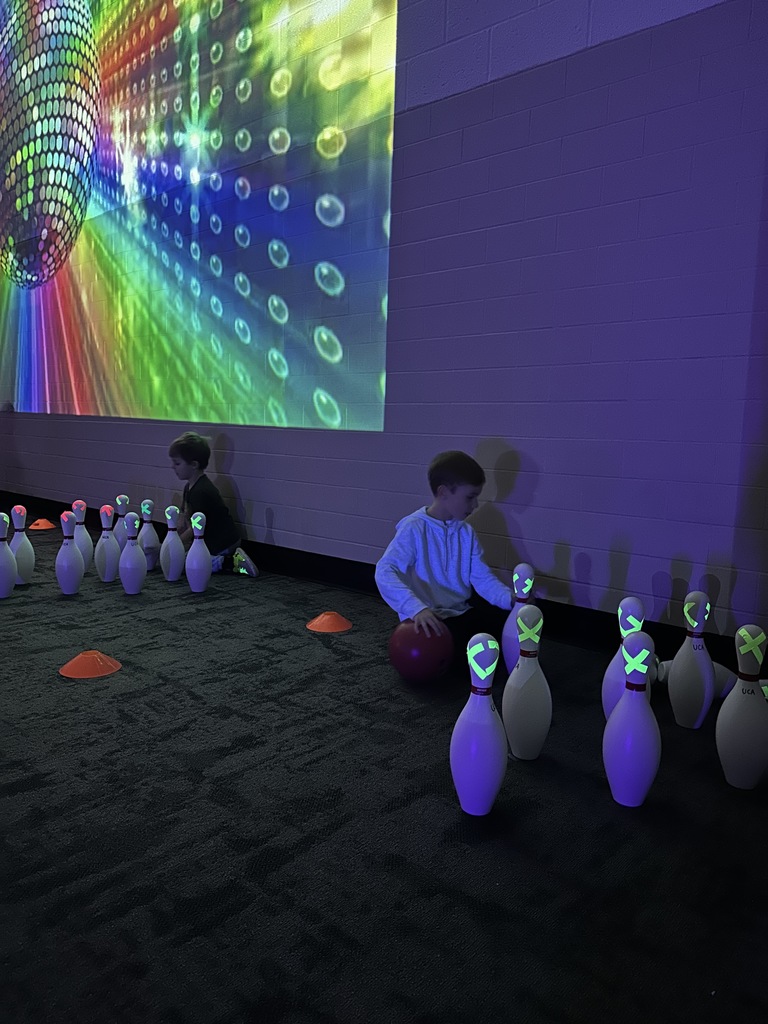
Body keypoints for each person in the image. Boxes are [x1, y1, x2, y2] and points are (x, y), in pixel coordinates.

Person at [375, 450, 514, 672]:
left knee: (507, 623)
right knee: (464, 655)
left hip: (460, 611)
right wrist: (417, 609)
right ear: (443, 493)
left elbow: (481, 577)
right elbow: (385, 571)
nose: (475, 504)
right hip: (428, 620)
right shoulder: (414, 527)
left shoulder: (466, 532)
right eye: (470, 497)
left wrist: (511, 600)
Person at [168, 431, 258, 576]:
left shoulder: (201, 491)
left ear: (194, 465)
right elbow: (184, 517)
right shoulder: (189, 487)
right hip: (211, 541)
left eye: (177, 463)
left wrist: (173, 545)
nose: (173, 467)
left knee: (187, 562)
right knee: (178, 557)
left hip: (222, 543)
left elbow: (193, 529)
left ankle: (230, 562)